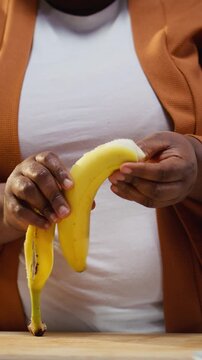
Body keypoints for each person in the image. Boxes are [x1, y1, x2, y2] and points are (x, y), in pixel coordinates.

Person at [0, 0, 202, 332]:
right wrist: (9, 208)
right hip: (28, 344)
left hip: (175, 342)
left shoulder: (190, 10)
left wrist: (197, 163)